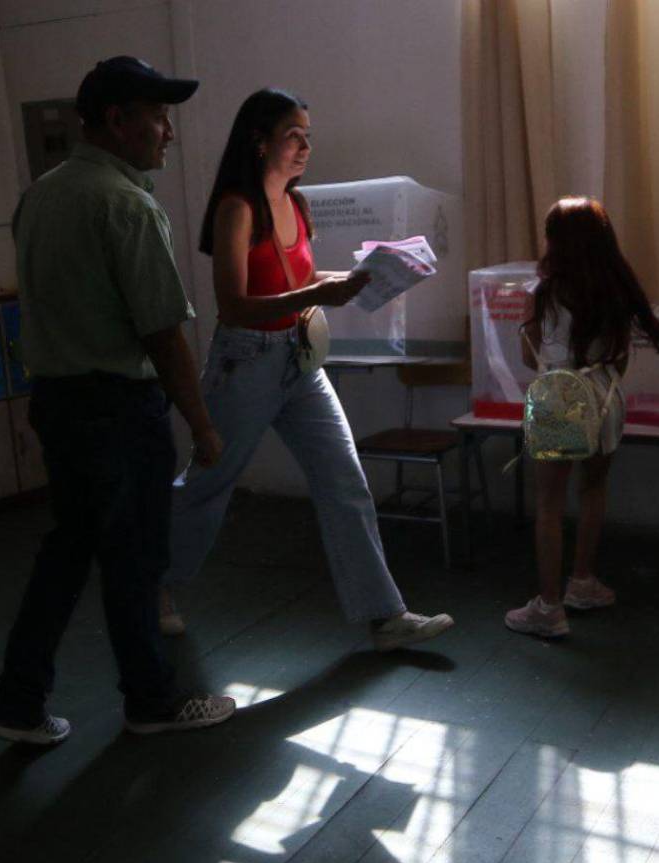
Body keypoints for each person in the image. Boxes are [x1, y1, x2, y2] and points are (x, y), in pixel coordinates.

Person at [0, 57, 236, 744]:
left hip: (58, 405)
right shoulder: (127, 205)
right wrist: (204, 426)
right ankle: (151, 702)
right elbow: (161, 333)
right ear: (119, 121)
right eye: (158, 118)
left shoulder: (39, 196)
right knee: (135, 560)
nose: (168, 135)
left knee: (67, 553)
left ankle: (17, 701)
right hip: (119, 410)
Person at [157, 88, 454, 652]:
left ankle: (384, 615)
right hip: (245, 360)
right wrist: (322, 292)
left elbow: (301, 283)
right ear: (259, 140)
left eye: (307, 137)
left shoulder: (298, 204)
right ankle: (153, 584)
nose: (304, 148)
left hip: (301, 361)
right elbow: (236, 304)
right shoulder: (236, 208)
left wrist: (372, 271)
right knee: (210, 480)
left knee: (344, 479)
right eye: (294, 136)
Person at [504, 196, 659, 638]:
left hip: (558, 397)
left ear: (554, 240)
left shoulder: (541, 293)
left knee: (549, 506)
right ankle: (583, 583)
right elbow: (621, 359)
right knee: (594, 489)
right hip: (606, 396)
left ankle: (548, 608)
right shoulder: (617, 287)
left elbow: (528, 356)